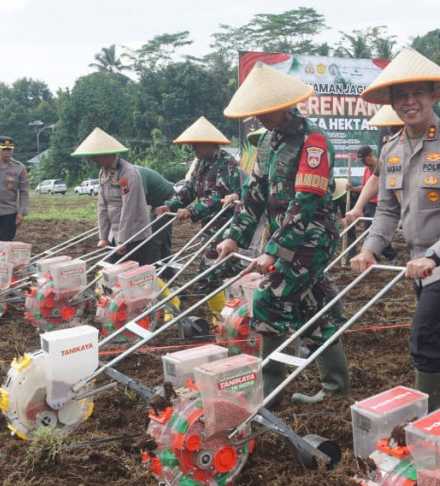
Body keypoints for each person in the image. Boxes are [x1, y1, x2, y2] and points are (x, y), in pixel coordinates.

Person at [350, 48, 440, 413]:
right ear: (393, 103)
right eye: (401, 96)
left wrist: (434, 256)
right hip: (418, 260)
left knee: (425, 335)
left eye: (418, 94)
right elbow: (387, 209)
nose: (410, 102)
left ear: (431, 96)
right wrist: (370, 248)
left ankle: (425, 424)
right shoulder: (391, 148)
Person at [217, 62, 349, 405]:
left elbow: (305, 202)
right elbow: (255, 195)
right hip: (286, 240)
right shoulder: (268, 143)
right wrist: (236, 237)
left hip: (311, 239)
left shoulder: (314, 141)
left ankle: (269, 391)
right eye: (257, 114)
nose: (261, 119)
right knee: (313, 307)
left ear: (285, 107)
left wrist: (273, 250)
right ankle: (336, 388)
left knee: (268, 301)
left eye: (267, 112)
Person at [157, 116, 243, 318]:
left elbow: (218, 196)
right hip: (210, 228)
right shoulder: (201, 164)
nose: (193, 149)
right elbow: (190, 189)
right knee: (228, 272)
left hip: (226, 228)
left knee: (209, 274)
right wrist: (171, 204)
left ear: (209, 143)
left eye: (197, 145)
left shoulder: (226, 164)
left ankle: (224, 317)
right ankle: (231, 315)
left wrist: (191, 211)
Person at [71, 127, 158, 267]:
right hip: (115, 232)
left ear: (107, 154)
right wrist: (103, 237)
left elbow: (128, 208)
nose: (93, 159)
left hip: (134, 234)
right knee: (114, 271)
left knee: (131, 273)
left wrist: (123, 241)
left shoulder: (127, 174)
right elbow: (102, 205)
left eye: (96, 156)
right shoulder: (103, 173)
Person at [353, 145, 397, 261]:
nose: (363, 163)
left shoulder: (383, 166)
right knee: (368, 231)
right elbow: (365, 187)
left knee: (378, 230)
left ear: (370, 155)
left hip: (380, 203)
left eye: (364, 159)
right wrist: (352, 189)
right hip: (369, 204)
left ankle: (389, 254)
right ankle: (374, 256)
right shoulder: (367, 170)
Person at [134, 165, 175, 266]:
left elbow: (139, 200)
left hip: (168, 199)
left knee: (154, 238)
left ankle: (153, 271)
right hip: (157, 203)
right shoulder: (127, 174)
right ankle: (167, 271)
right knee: (162, 237)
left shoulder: (137, 173)